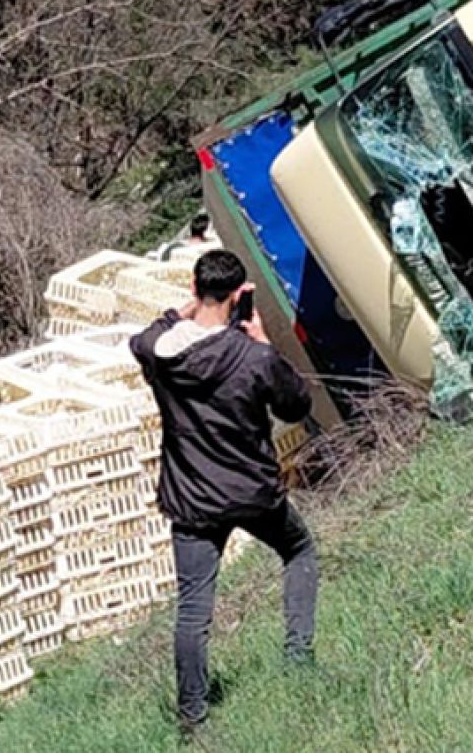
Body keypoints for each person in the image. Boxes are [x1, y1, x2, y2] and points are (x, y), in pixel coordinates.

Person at [130, 250, 318, 736]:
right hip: (253, 492)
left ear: (195, 286)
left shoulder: (159, 352)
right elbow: (297, 406)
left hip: (192, 501)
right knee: (299, 550)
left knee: (194, 608)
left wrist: (186, 311)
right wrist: (262, 339)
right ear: (239, 297)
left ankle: (193, 720)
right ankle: (298, 657)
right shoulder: (254, 357)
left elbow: (145, 337)